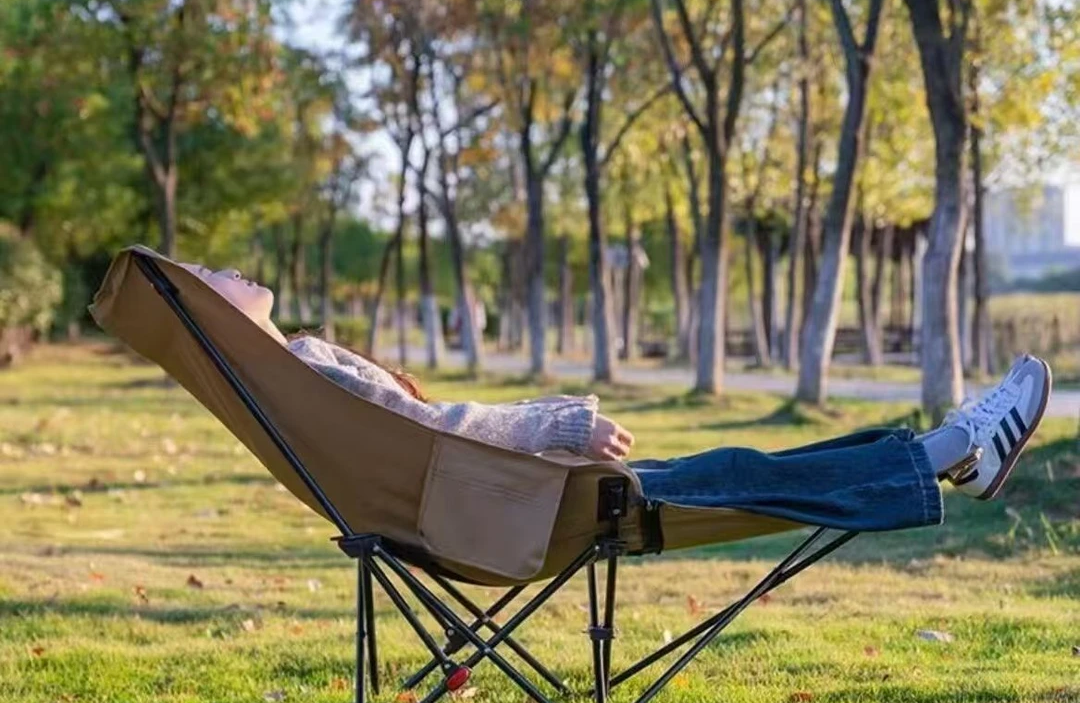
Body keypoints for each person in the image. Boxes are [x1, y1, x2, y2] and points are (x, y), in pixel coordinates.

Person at [179, 263, 1053, 533]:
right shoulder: (304, 365)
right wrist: (563, 424)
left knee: (743, 466)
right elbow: (430, 429)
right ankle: (949, 451)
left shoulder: (294, 370)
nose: (233, 270)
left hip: (498, 504)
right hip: (517, 512)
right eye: (215, 274)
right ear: (218, 310)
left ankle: (947, 452)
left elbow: (419, 437)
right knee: (737, 472)